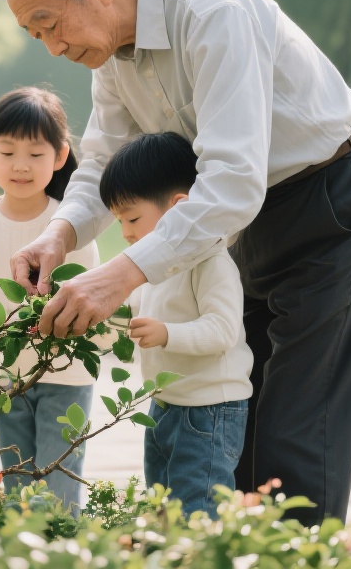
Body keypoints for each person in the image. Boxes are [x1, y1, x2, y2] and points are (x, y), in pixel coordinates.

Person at [0, 0, 351, 525]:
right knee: (235, 410)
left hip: (327, 200)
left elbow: (231, 178)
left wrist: (120, 275)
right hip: (229, 222)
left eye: (49, 23)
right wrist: (59, 234)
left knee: (299, 426)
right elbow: (101, 163)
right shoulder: (111, 57)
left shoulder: (211, 11)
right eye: (33, 34)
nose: (52, 47)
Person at [0, 86, 100, 514]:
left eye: (35, 154)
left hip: (65, 370)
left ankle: (62, 554)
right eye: (7, 152)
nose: (20, 166)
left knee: (58, 487)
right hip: (6, 372)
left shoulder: (69, 224)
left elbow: (81, 289)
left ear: (60, 156)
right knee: (18, 488)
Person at [99, 131, 252, 518]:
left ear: (180, 209)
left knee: (198, 510)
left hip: (209, 410)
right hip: (165, 404)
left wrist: (167, 334)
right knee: (162, 508)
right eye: (120, 222)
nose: (127, 233)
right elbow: (131, 314)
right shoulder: (155, 265)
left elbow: (222, 331)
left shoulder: (210, 262)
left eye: (132, 218)